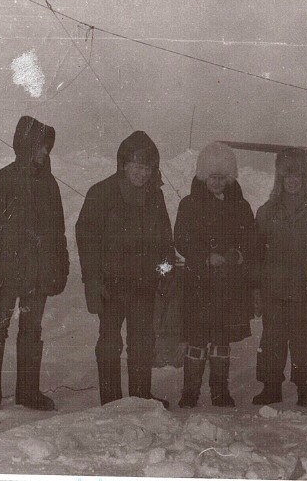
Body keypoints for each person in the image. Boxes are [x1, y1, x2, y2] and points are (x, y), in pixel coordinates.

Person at [0, 115, 69, 413]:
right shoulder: (0, 182)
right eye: (40, 147)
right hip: (7, 275)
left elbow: (58, 231)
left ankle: (28, 393)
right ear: (25, 146)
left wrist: (59, 267)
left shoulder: (49, 185)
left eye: (46, 148)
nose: (44, 153)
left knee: (32, 330)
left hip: (37, 274)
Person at [76, 131, 174, 408]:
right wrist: (92, 281)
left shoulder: (155, 197)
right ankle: (110, 400)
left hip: (144, 284)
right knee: (109, 342)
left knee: (142, 342)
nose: (143, 174)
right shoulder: (101, 193)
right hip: (111, 285)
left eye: (148, 168)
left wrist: (164, 274)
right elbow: (87, 240)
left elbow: (166, 243)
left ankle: (140, 397)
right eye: (138, 167)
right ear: (123, 165)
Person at [173, 142, 257, 408]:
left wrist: (234, 256)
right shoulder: (188, 204)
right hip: (198, 282)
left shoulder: (241, 206)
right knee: (197, 338)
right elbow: (181, 240)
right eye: (213, 177)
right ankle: (190, 392)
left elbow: (251, 241)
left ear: (230, 178)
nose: (217, 182)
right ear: (202, 176)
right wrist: (204, 257)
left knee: (221, 338)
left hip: (229, 285)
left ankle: (220, 390)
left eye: (223, 177)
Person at [252, 147, 307, 407]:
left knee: (304, 339)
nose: (292, 181)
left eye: (297, 175)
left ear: (306, 177)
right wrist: (256, 290)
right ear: (279, 177)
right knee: (272, 338)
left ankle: (304, 388)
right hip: (273, 288)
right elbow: (256, 255)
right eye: (287, 175)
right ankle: (271, 387)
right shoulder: (266, 212)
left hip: (306, 287)